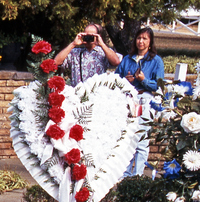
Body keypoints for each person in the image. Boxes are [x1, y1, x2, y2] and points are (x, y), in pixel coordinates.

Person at [117, 27, 166, 177]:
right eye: (139, 38)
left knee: (142, 140)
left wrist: (143, 80)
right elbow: (116, 79)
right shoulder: (127, 59)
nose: (141, 41)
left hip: (145, 100)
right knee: (127, 139)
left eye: (145, 39)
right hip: (129, 100)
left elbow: (159, 85)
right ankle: (124, 174)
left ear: (150, 42)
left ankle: (138, 176)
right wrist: (125, 81)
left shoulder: (156, 60)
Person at [54, 24, 121, 87]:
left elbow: (116, 62)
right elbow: (56, 62)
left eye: (91, 36)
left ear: (98, 36)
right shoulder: (75, 52)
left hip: (97, 93)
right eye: (86, 36)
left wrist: (102, 44)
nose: (88, 38)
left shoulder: (103, 52)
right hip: (78, 94)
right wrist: (73, 44)